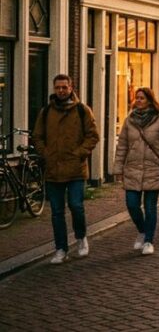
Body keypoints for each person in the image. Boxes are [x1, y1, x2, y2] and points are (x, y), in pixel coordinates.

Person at [33, 74, 100, 265]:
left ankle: (81, 237)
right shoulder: (46, 112)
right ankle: (61, 249)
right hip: (53, 169)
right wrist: (46, 153)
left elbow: (93, 136)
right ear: (54, 89)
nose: (61, 91)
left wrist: (79, 153)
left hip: (75, 168)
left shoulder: (82, 110)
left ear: (71, 88)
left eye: (64, 87)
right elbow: (37, 136)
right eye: (58, 87)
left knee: (76, 206)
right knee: (56, 212)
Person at [113, 88, 159, 256]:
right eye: (137, 98)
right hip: (133, 168)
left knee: (150, 207)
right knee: (132, 204)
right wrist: (118, 168)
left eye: (142, 98)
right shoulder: (129, 120)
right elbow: (122, 146)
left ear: (150, 100)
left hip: (153, 168)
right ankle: (142, 230)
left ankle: (149, 241)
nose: (138, 100)